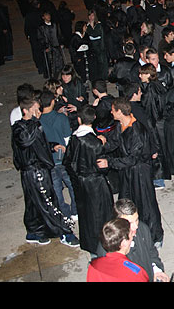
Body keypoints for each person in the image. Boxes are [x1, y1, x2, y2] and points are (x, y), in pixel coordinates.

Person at [11, 96, 79, 247]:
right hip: (34, 172)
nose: (39, 112)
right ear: (26, 111)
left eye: (39, 109)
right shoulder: (21, 128)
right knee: (49, 202)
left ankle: (34, 231)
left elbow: (38, 144)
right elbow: (26, 141)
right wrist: (35, 122)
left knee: (34, 202)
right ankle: (64, 232)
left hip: (35, 169)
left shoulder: (32, 126)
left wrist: (52, 145)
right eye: (35, 110)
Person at [97, 98, 164, 246]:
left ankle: (155, 236)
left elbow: (133, 158)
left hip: (140, 172)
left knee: (146, 204)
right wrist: (100, 144)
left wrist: (110, 162)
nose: (111, 112)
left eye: (113, 110)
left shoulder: (137, 131)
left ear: (120, 112)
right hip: (127, 171)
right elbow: (114, 142)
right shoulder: (120, 125)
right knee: (126, 202)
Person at [63, 104, 113, 255]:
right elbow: (103, 166)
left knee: (86, 215)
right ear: (94, 119)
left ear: (79, 119)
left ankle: (89, 244)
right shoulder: (95, 142)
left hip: (80, 183)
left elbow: (68, 162)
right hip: (95, 183)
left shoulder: (74, 138)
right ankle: (102, 246)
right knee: (100, 215)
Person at [38, 91, 77, 221]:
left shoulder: (38, 121)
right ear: (53, 102)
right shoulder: (61, 118)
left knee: (56, 189)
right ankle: (75, 211)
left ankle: (63, 213)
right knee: (72, 185)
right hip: (63, 158)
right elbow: (67, 138)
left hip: (49, 161)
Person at [87, 218, 148, 282]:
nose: (133, 235)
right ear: (124, 243)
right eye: (131, 234)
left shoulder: (93, 266)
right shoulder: (136, 273)